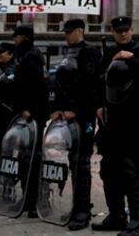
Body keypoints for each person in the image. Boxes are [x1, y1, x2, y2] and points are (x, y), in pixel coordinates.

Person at [93, 16, 139, 236]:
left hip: (133, 117)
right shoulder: (108, 53)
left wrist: (132, 60)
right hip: (111, 118)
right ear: (113, 32)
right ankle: (116, 215)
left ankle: (138, 220)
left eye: (126, 30)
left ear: (131, 30)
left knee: (132, 168)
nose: (123, 34)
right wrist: (98, 106)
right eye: (118, 30)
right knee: (109, 168)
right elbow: (100, 82)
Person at [51, 18, 103, 231]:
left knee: (81, 162)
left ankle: (82, 211)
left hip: (84, 117)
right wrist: (57, 108)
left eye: (69, 31)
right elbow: (63, 85)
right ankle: (78, 206)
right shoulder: (68, 52)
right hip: (68, 116)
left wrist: (77, 110)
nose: (65, 35)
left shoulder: (89, 52)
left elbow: (89, 85)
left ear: (80, 31)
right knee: (73, 161)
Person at [11, 24, 49, 218]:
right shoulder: (26, 55)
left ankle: (35, 201)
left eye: (16, 37)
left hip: (32, 116)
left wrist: (28, 109)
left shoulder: (31, 56)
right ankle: (28, 198)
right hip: (27, 114)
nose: (14, 40)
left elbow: (35, 86)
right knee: (25, 158)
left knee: (32, 158)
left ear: (23, 38)